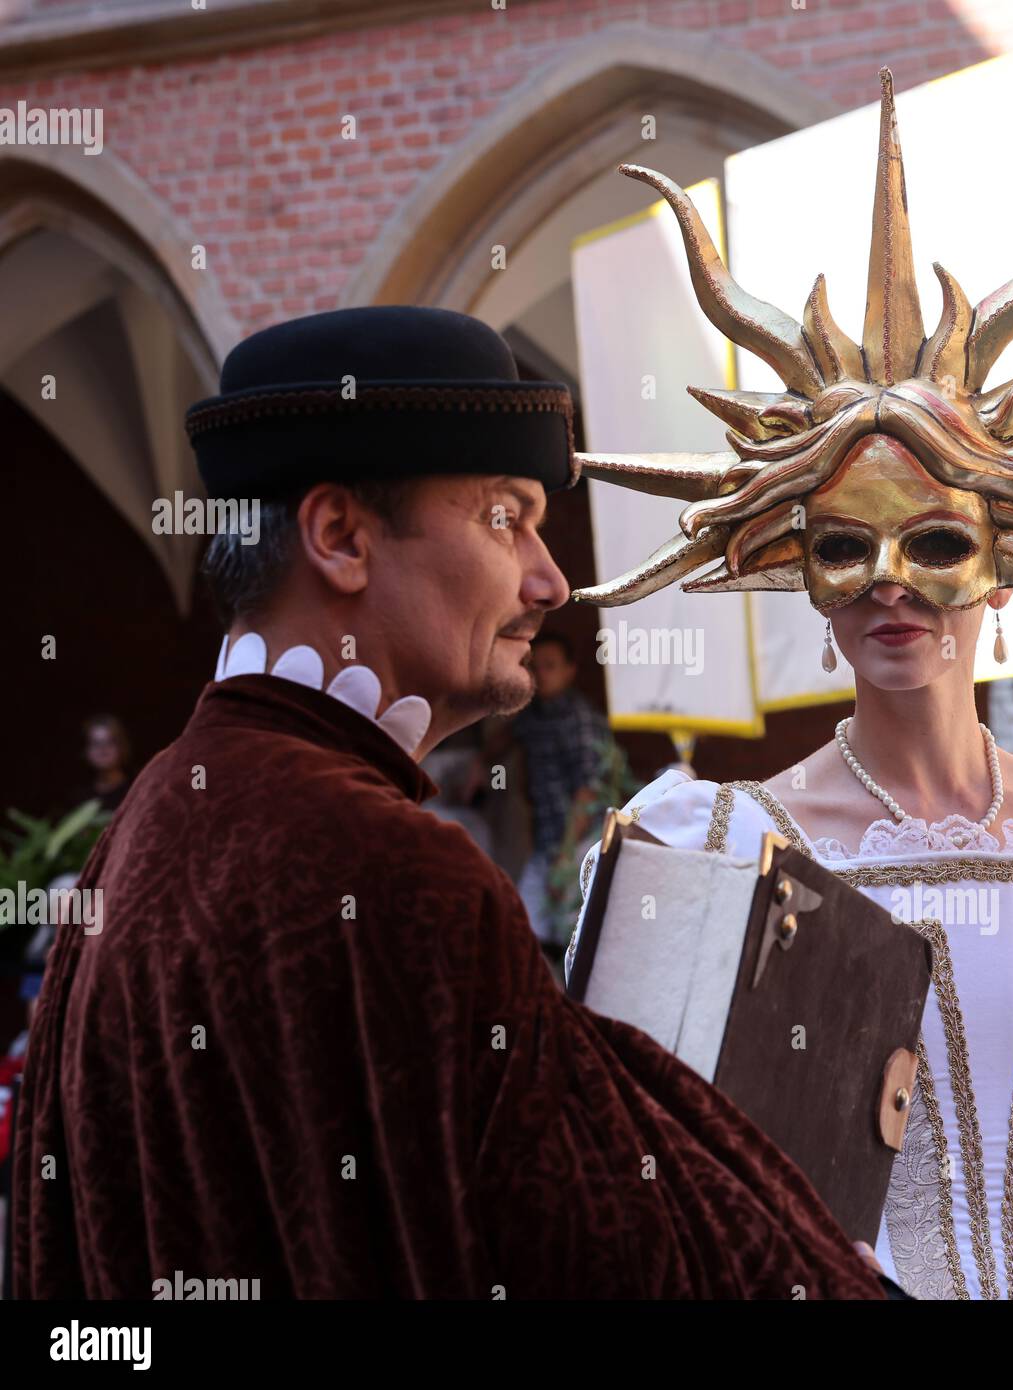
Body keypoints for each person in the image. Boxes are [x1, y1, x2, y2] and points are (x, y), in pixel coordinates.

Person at [568, 69, 1013, 1301]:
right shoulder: (726, 845)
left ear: (1000, 571)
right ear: (806, 575)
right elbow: (677, 1177)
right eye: (847, 546)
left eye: (935, 544)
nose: (889, 585)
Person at [12, 304, 884, 1300]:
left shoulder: (144, 827)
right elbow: (604, 1259)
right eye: (505, 518)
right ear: (340, 535)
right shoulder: (384, 866)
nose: (551, 581)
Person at [510, 632, 611, 946]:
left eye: (550, 666)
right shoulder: (534, 715)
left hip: (580, 844)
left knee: (573, 937)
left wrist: (566, 857)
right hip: (546, 843)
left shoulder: (581, 720)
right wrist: (478, 766)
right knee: (523, 930)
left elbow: (588, 791)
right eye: (535, 667)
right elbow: (509, 735)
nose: (541, 675)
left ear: (570, 670)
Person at [71, 714, 133, 813]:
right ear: (86, 751)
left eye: (110, 742)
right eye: (95, 743)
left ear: (122, 747)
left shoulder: (134, 792)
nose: (103, 749)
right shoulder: (78, 797)